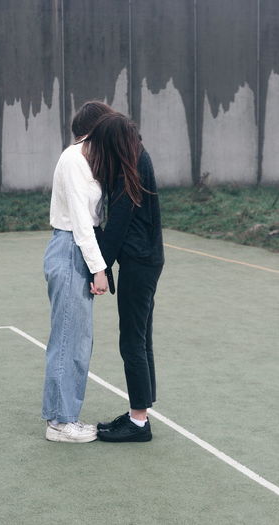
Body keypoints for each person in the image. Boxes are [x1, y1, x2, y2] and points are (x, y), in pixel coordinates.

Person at [83, 112, 164, 442]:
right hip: (146, 260)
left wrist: (98, 267)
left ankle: (139, 422)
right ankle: (139, 414)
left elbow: (117, 225)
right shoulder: (136, 159)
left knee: (132, 340)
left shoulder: (129, 171)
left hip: (140, 262)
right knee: (140, 339)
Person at [41, 103, 112, 443]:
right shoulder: (73, 159)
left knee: (79, 340)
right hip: (71, 249)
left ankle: (66, 416)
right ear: (96, 128)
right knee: (69, 337)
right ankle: (60, 422)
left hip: (78, 250)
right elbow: (82, 223)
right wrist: (100, 270)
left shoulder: (88, 160)